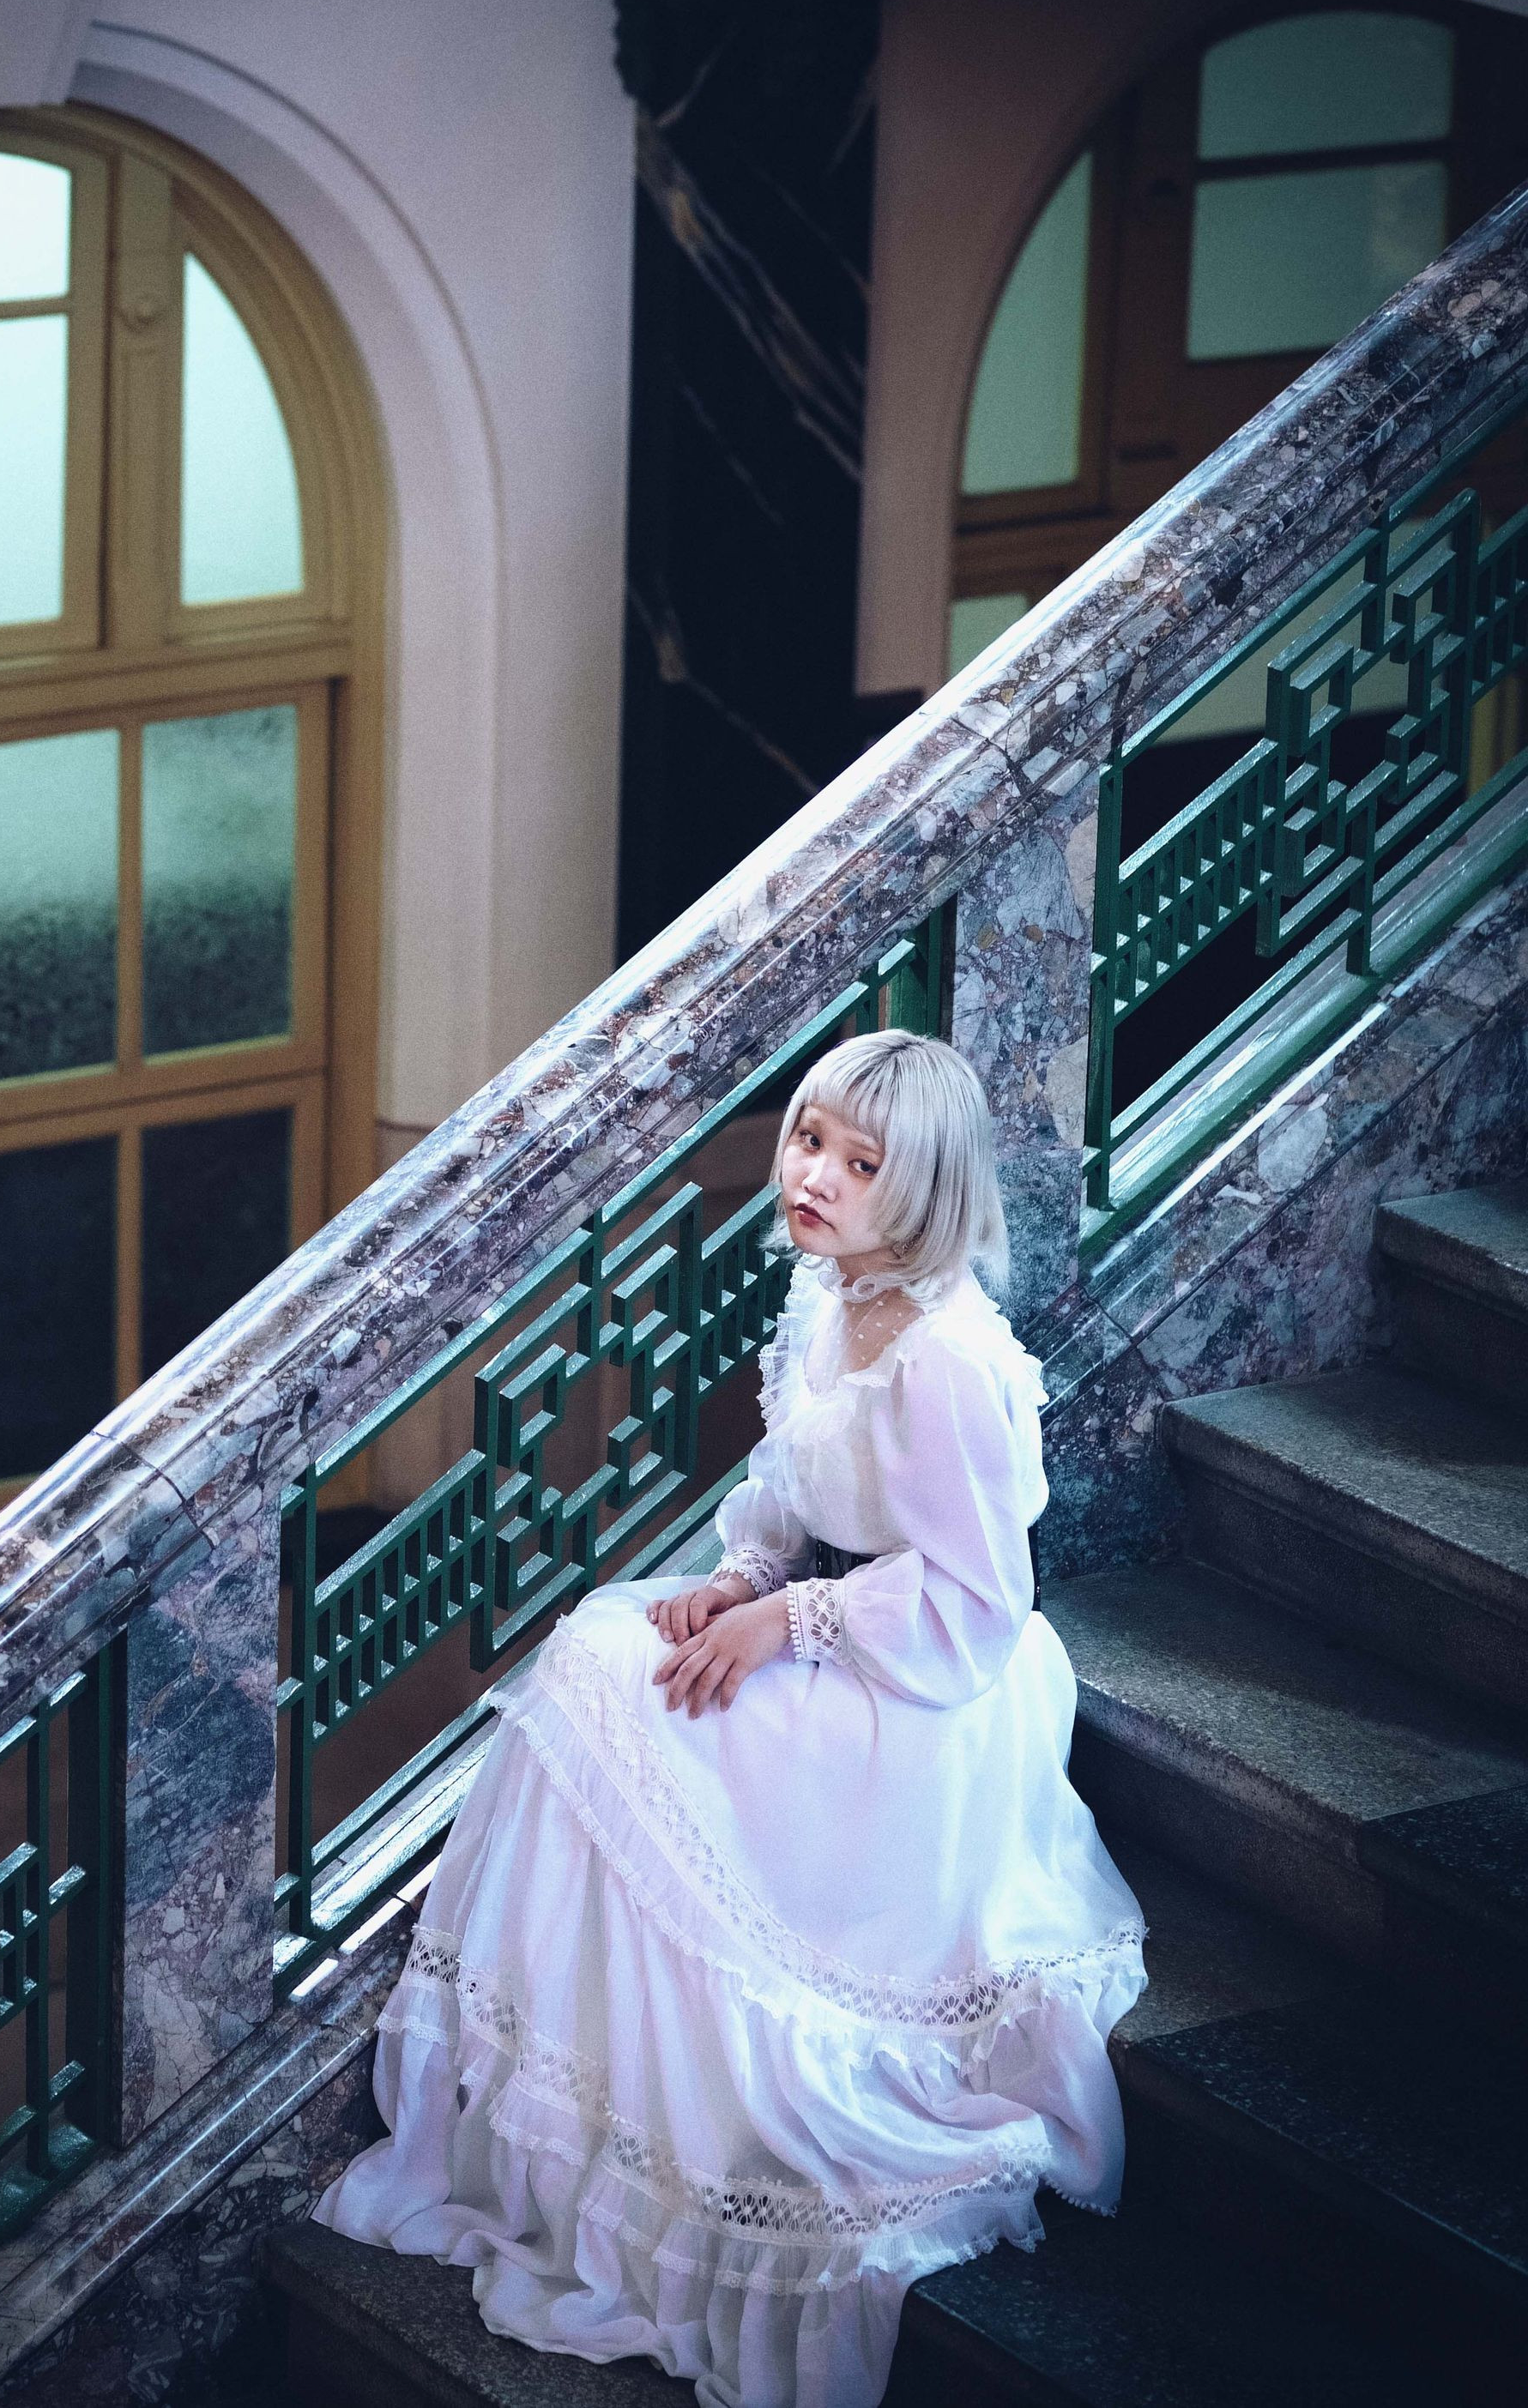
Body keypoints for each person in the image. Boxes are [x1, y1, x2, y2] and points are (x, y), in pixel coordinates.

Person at [315, 1030, 1147, 2408]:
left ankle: (709, 2104)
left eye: (861, 1163)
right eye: (809, 1139)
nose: (814, 1176)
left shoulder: (942, 1359)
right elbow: (791, 1483)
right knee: (597, 1657)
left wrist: (794, 1621)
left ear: (925, 1187)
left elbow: (978, 1601)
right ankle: (601, 2095)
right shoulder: (828, 1291)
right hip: (836, 1619)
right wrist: (743, 1577)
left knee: (617, 1692)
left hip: (929, 1688)